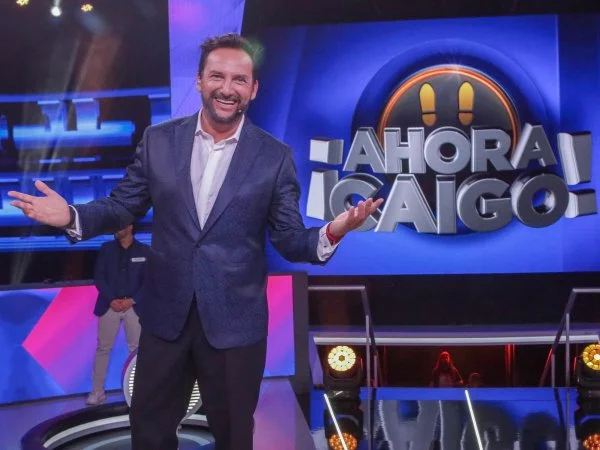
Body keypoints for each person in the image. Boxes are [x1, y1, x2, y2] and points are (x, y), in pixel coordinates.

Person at [8, 33, 383, 450]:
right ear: (200, 81)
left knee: (233, 437)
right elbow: (122, 205)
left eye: (239, 80)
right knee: (149, 434)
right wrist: (72, 216)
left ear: (254, 89)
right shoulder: (158, 140)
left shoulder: (274, 157)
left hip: (235, 325)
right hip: (165, 318)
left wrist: (334, 230)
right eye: (217, 76)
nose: (227, 88)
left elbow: (290, 239)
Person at [87, 224, 150, 405]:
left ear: (130, 226)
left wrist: (133, 300)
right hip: (109, 306)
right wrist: (111, 300)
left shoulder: (144, 251)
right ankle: (97, 392)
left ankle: (138, 392)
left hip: (134, 307)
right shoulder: (106, 249)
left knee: (137, 350)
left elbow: (148, 281)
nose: (115, 228)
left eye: (119, 224)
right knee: (103, 348)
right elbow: (99, 278)